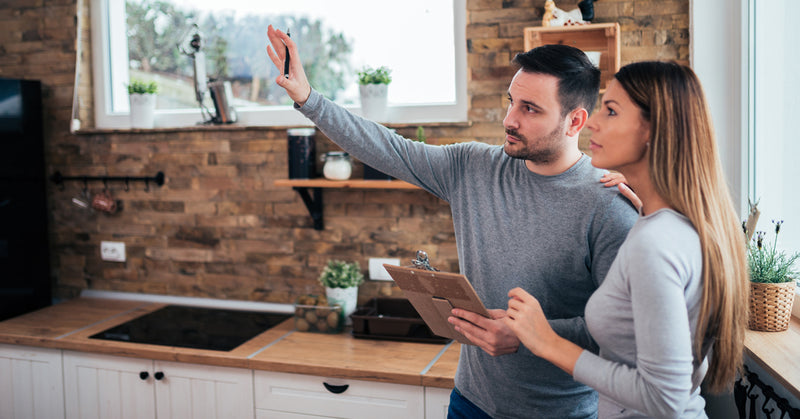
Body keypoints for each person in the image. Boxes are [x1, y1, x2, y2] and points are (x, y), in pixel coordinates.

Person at [266, 25, 638, 418]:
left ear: (575, 122)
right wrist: (308, 98)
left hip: (561, 413)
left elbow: (622, 332)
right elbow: (389, 149)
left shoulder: (609, 205)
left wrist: (530, 335)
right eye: (511, 102)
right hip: (470, 402)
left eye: (530, 109)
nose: (510, 119)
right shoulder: (473, 166)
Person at [503, 61, 749, 418]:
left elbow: (664, 398)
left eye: (612, 111)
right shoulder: (676, 225)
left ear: (654, 130)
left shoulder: (657, 244)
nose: (594, 122)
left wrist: (547, 342)